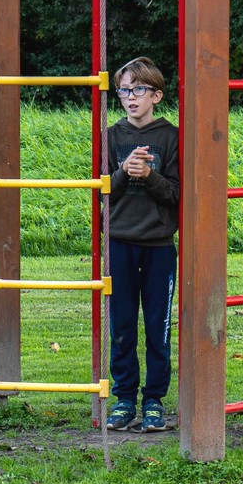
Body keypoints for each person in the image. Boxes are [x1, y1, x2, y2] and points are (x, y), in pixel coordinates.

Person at [102, 56, 182, 433]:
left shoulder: (171, 136)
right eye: (123, 90)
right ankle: (123, 399)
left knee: (157, 325)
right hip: (119, 244)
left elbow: (177, 195)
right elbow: (100, 193)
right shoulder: (110, 136)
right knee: (121, 324)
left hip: (159, 246)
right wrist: (122, 172)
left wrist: (149, 175)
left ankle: (153, 400)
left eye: (138, 90)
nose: (130, 98)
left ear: (157, 95)